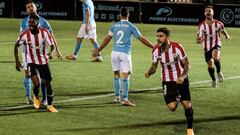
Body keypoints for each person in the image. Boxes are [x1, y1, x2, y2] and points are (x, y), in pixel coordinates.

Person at [93, 7, 153, 106]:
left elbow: (107, 38)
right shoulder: (131, 26)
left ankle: (117, 97)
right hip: (125, 54)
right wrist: (153, 47)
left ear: (120, 15)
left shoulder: (114, 25)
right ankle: (125, 99)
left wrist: (98, 50)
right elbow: (141, 38)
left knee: (116, 74)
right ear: (128, 15)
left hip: (114, 53)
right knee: (126, 76)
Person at [145, 27, 194, 135]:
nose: (158, 39)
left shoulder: (177, 47)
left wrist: (182, 76)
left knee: (187, 105)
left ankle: (190, 129)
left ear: (167, 37)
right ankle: (178, 96)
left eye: (161, 36)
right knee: (172, 107)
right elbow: (154, 66)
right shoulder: (155, 50)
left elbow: (187, 64)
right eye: (157, 36)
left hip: (181, 79)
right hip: (167, 81)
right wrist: (149, 72)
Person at [20, 0, 62, 105]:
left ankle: (44, 98)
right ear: (26, 10)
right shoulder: (23, 22)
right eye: (28, 7)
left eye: (32, 6)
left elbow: (51, 37)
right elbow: (21, 38)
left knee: (44, 76)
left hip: (42, 54)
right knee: (28, 74)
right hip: (27, 53)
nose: (30, 8)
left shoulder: (44, 22)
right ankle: (28, 97)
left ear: (36, 8)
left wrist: (57, 50)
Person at [14, 14, 59, 112]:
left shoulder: (45, 33)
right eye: (29, 22)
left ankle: (50, 105)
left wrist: (50, 53)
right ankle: (36, 97)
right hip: (31, 61)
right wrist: (17, 61)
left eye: (32, 22)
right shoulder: (25, 34)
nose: (30, 24)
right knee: (37, 83)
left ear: (38, 23)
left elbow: (52, 46)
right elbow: (16, 46)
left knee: (48, 82)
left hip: (43, 61)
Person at [197, 5, 230, 88]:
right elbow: (199, 38)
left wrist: (227, 35)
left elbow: (222, 30)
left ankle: (219, 72)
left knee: (215, 58)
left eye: (210, 11)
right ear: (204, 13)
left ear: (213, 13)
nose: (208, 12)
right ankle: (214, 80)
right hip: (206, 47)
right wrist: (199, 40)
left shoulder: (219, 23)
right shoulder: (201, 26)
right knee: (210, 66)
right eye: (207, 11)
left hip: (216, 43)